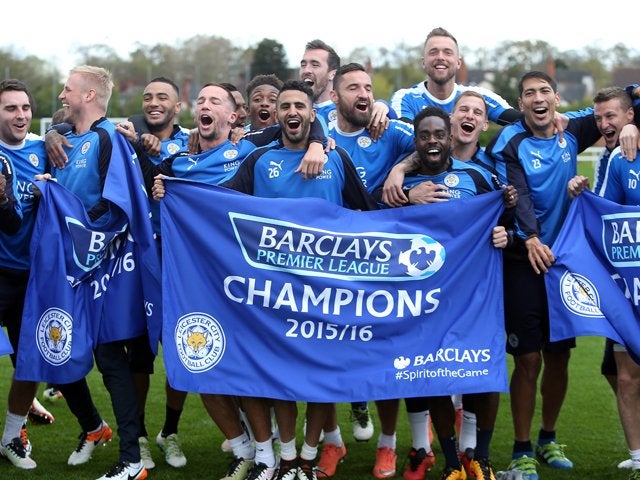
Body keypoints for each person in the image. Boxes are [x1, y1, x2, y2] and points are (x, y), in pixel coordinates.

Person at [156, 79, 377, 480]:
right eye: (285, 106)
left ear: (312, 114)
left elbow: (373, 217)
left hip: (324, 295)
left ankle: (308, 459)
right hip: (267, 294)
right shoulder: (258, 161)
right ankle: (285, 459)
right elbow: (216, 204)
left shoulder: (337, 158)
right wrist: (172, 192)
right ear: (277, 115)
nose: (292, 112)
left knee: (320, 379)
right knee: (269, 378)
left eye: (300, 106)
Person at [377, 93, 516, 480]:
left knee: (483, 370)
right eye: (425, 136)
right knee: (431, 375)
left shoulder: (476, 177)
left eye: (439, 134)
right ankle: (453, 463)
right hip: (423, 301)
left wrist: (506, 232)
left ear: (450, 138)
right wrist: (405, 198)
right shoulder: (400, 184)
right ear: (416, 142)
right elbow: (371, 226)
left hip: (473, 298)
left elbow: (506, 216)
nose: (433, 141)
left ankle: (481, 459)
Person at [485, 71, 603, 480]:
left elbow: (619, 110)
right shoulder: (509, 140)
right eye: (530, 94)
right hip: (522, 258)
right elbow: (516, 192)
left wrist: (626, 131)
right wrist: (531, 237)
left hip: (563, 263)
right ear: (520, 104)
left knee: (559, 355)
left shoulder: (572, 131)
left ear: (555, 99)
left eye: (545, 92)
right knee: (528, 356)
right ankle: (521, 450)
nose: (538, 99)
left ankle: (547, 438)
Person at [38, 65, 148, 480]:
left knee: (109, 359)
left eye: (68, 90)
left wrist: (71, 228)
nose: (62, 95)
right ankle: (96, 429)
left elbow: (114, 207)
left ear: (88, 96)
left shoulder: (109, 139)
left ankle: (133, 460)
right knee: (59, 350)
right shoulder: (63, 138)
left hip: (100, 271)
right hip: (65, 269)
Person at [316, 62, 415, 479]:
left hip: (380, 266)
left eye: (368, 87)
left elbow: (438, 139)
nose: (363, 92)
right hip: (326, 263)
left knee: (386, 356)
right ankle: (332, 442)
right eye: (353, 86)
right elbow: (270, 134)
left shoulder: (389, 129)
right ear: (334, 95)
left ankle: (388, 445)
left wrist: (400, 168)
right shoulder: (318, 125)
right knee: (322, 355)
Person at [567, 86, 640, 479]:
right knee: (624, 373)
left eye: (612, 116)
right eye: (599, 118)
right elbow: (605, 218)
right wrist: (583, 196)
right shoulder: (614, 161)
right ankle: (639, 457)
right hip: (630, 286)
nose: (604, 124)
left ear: (631, 116)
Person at [0, 78, 42, 471]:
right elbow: (10, 224)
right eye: (10, 108)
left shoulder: (45, 149)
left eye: (24, 107)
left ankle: (12, 436)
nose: (20, 115)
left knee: (29, 362)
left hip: (32, 276)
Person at [389, 27, 520, 126]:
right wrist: (381, 104)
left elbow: (523, 122)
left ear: (458, 62)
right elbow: (403, 138)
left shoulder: (477, 97)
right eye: (433, 52)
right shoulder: (405, 98)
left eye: (447, 52)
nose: (440, 57)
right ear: (423, 61)